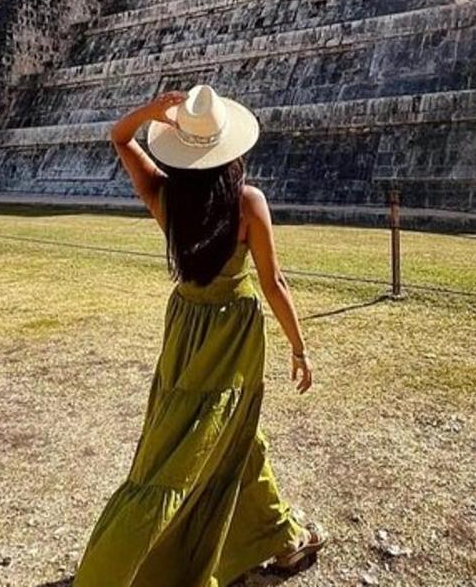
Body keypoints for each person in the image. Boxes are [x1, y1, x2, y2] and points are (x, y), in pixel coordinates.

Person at [72, 85, 327, 587]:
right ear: (229, 146)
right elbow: (273, 282)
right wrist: (298, 347)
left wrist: (152, 111)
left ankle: (283, 536)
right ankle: (118, 569)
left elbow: (120, 139)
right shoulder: (248, 202)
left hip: (187, 327)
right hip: (235, 332)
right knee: (195, 446)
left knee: (223, 435)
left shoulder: (165, 195)